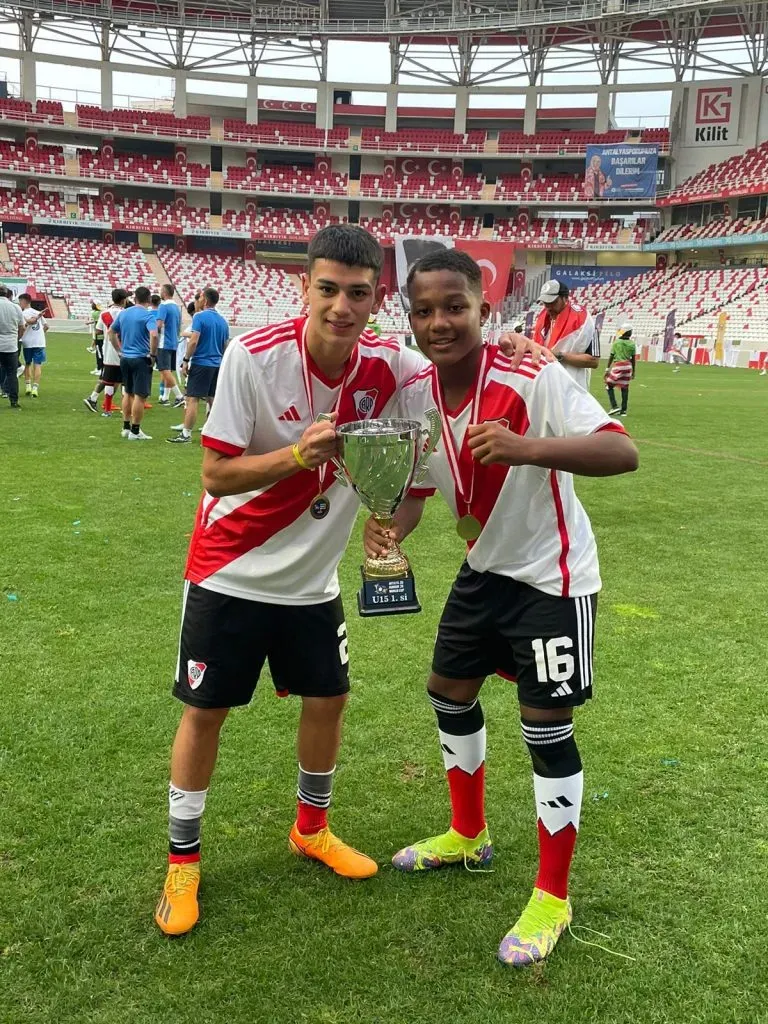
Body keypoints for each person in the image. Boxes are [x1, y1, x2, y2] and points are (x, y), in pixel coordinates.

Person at [153, 225, 550, 937]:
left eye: (359, 294)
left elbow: (456, 360)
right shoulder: (255, 355)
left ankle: (311, 828)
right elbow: (215, 473)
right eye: (328, 289)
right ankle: (183, 860)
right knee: (206, 712)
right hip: (231, 568)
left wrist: (516, 346)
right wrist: (297, 457)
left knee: (329, 701)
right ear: (304, 287)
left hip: (313, 581)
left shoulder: (391, 366)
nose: (342, 306)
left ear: (377, 302)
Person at [363, 249, 638, 967]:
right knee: (448, 695)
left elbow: (623, 451)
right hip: (483, 568)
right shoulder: (418, 391)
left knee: (545, 726)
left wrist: (527, 448)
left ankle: (552, 895)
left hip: (552, 578)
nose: (439, 322)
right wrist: (393, 526)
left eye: (455, 306)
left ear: (487, 311)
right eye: (423, 310)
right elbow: (424, 488)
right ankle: (468, 833)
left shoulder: (529, 373)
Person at [165, 287, 228, 444]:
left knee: (192, 398)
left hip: (201, 363)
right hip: (217, 363)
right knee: (212, 399)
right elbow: (225, 345)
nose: (197, 300)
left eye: (199, 297)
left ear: (205, 300)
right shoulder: (222, 321)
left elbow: (194, 340)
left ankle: (186, 434)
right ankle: (216, 433)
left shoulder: (199, 317)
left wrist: (186, 359)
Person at [109, 285, 158, 440]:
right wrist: (153, 355)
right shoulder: (148, 316)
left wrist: (119, 350)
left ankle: (125, 427)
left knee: (128, 392)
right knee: (140, 395)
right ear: (149, 299)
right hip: (140, 358)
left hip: (126, 358)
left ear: (134, 298)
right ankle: (135, 431)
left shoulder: (124, 314)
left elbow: (111, 332)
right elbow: (154, 335)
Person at [531, 280, 599, 390]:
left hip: (572, 388)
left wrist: (556, 355)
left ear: (565, 298)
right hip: (544, 385)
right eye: (545, 303)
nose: (548, 307)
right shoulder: (542, 320)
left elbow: (593, 361)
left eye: (552, 302)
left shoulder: (586, 321)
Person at [83, 288, 128, 416]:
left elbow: (98, 331)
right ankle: (126, 409)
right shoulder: (126, 313)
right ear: (124, 300)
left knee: (109, 380)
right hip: (125, 351)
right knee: (125, 382)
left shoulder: (104, 313)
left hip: (108, 351)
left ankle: (106, 410)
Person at [155, 284, 185, 409]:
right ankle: (165, 397)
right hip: (173, 341)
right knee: (169, 370)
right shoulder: (177, 307)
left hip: (164, 342)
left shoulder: (163, 306)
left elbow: (159, 324)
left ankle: (179, 396)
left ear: (165, 292)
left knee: (164, 370)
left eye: (161, 290)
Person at [0, 284, 24, 409]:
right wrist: (16, 338)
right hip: (10, 345)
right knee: (11, 373)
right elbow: (22, 326)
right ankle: (13, 400)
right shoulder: (15, 308)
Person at [19, 294, 47, 398]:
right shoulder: (37, 312)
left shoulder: (22, 314)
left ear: (24, 301)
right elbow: (46, 326)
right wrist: (40, 335)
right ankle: (35, 388)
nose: (19, 304)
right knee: (38, 364)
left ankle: (28, 386)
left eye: (20, 301)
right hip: (39, 342)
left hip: (27, 342)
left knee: (27, 363)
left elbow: (27, 323)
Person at [604, 323, 636, 417]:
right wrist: (633, 371)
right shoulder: (632, 343)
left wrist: (607, 368)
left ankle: (614, 407)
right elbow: (633, 359)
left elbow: (611, 356)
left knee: (609, 385)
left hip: (618, 365)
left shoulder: (617, 342)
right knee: (625, 388)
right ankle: (623, 411)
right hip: (628, 366)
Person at [90, 301, 104, 376]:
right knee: (101, 353)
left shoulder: (95, 313)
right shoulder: (102, 313)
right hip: (102, 336)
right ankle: (99, 368)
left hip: (98, 336)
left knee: (99, 353)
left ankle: (100, 368)